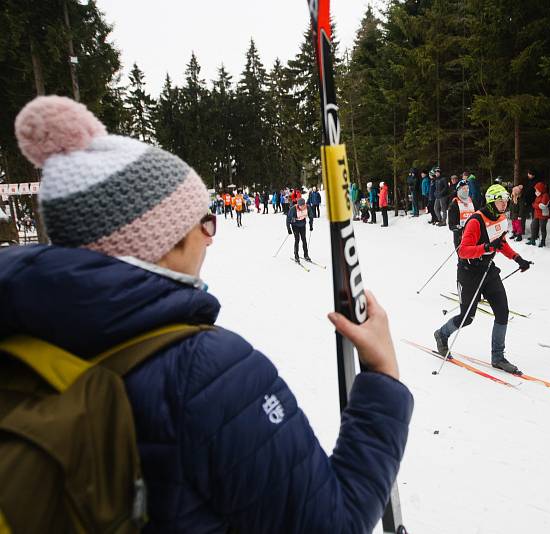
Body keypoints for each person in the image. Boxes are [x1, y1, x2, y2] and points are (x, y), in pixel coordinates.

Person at [2, 95, 413, 533]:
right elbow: (333, 525)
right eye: (205, 222)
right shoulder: (206, 375)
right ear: (165, 238)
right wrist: (383, 379)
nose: (210, 237)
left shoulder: (20, 333)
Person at [432, 184, 532, 375]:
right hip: (468, 272)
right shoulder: (476, 221)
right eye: (502, 200)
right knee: (467, 318)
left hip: (488, 271)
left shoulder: (502, 219)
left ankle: (498, 357)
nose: (505, 204)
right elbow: (462, 250)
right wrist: (485, 247)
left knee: (502, 312)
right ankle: (442, 335)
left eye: (506, 200)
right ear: (493, 201)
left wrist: (518, 258)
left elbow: (500, 243)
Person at [447, 179, 475, 249]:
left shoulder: (472, 201)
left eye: (467, 188)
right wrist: (461, 229)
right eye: (464, 188)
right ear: (459, 190)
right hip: (460, 238)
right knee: (463, 259)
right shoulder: (454, 204)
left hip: (474, 236)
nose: (466, 190)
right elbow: (451, 225)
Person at [527, 182, 550, 247]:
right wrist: (536, 205)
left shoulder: (545, 195)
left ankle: (543, 242)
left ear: (541, 189)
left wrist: (535, 205)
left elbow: (543, 206)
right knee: (533, 226)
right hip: (537, 214)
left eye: (537, 190)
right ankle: (533, 240)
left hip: (543, 215)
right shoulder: (538, 196)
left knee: (542, 228)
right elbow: (537, 204)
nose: (536, 191)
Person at [287, 197, 311, 262]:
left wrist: (311, 225)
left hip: (302, 225)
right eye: (301, 206)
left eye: (304, 205)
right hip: (295, 225)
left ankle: (306, 255)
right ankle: (296, 256)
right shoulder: (293, 209)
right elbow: (288, 219)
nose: (303, 207)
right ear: (298, 205)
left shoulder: (307, 207)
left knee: (304, 239)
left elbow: (311, 216)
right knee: (297, 240)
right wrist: (288, 229)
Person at [521, 170, 537, 241]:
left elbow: (534, 192)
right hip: (526, 202)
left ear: (533, 175)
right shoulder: (526, 180)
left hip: (533, 202)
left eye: (530, 174)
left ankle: (535, 235)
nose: (528, 175)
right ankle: (521, 230)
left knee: (534, 219)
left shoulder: (536, 182)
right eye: (528, 174)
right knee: (522, 216)